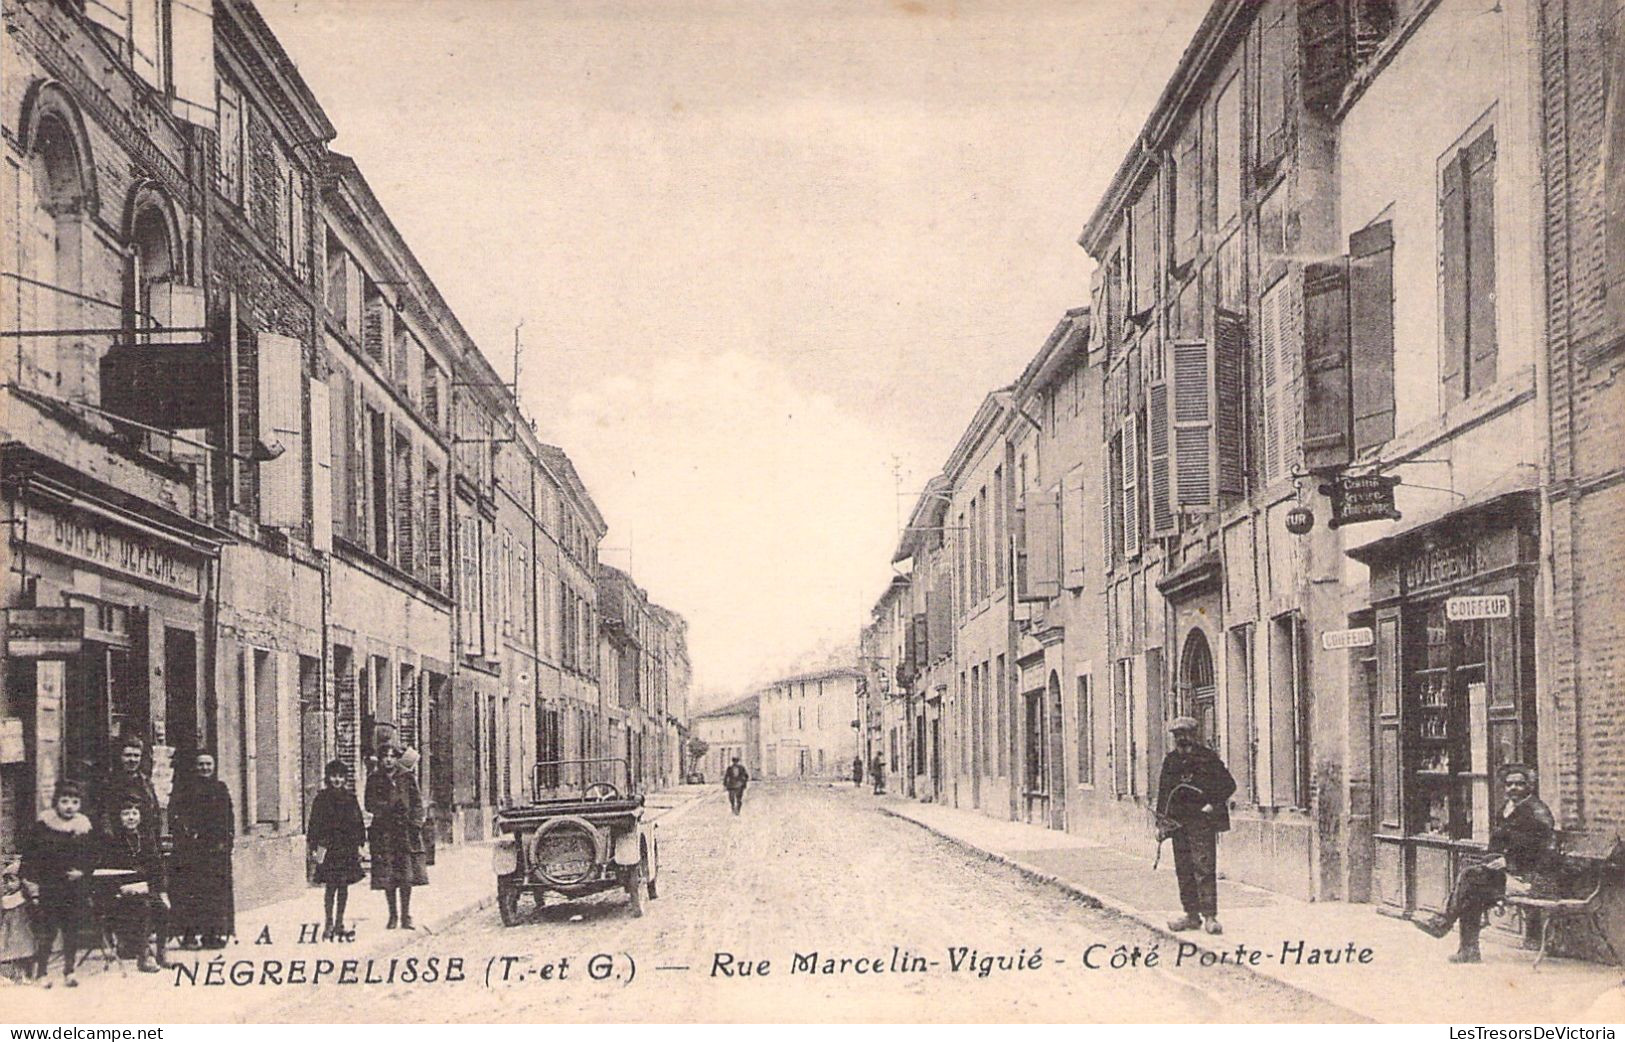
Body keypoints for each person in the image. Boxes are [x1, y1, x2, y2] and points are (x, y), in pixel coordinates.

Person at [1412, 764, 1560, 962]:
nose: (1513, 788)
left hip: (1532, 879)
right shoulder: (1507, 810)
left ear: (1529, 786)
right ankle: (1467, 949)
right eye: (1509, 784)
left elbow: (1543, 850)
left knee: (1470, 879)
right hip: (1508, 874)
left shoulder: (1538, 812)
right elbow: (1498, 844)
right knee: (1471, 888)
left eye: (1519, 784)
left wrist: (1508, 861)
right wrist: (1492, 860)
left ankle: (1443, 923)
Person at [1155, 716, 1236, 936]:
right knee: (1184, 869)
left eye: (1184, 734)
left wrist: (1212, 803)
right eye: (1176, 736)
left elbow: (1229, 785)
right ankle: (1191, 915)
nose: (1181, 739)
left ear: (1194, 735)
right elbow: (1163, 793)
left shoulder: (1208, 758)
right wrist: (1161, 824)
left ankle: (1210, 916)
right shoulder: (1171, 761)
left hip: (1201, 822)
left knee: (1204, 867)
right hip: (1178, 823)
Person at [20, 780, 94, 987]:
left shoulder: (83, 826)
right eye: (64, 801)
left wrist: (82, 872)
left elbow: (92, 856)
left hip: (73, 888)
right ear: (56, 803)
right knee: (48, 931)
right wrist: (33, 883)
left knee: (71, 930)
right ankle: (42, 973)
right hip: (50, 887)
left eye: (74, 802)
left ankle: (69, 971)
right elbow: (32, 855)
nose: (69, 806)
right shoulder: (45, 825)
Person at [168, 750, 235, 950]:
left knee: (214, 894)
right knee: (190, 894)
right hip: (192, 852)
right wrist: (188, 836)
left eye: (208, 764)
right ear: (195, 767)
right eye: (201, 764)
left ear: (214, 767)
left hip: (215, 851)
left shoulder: (220, 789)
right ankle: (189, 935)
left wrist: (226, 842)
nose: (205, 768)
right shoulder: (185, 790)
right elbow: (176, 817)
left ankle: (212, 934)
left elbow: (228, 818)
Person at [99, 799, 167, 973]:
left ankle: (161, 953)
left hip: (144, 888)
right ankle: (143, 957)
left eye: (135, 813)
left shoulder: (146, 839)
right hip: (121, 892)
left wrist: (159, 889)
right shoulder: (112, 841)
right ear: (119, 817)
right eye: (126, 813)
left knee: (162, 906)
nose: (131, 818)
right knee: (143, 906)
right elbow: (107, 870)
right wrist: (120, 888)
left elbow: (157, 867)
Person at [365, 744, 428, 929]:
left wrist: (416, 823)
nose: (389, 760)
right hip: (384, 832)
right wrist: (386, 808)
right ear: (381, 759)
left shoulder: (407, 777)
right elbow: (369, 803)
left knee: (406, 876)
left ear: (397, 759)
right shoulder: (374, 779)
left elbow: (417, 802)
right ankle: (392, 916)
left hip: (405, 832)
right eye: (385, 756)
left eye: (392, 756)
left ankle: (406, 916)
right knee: (388, 876)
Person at [307, 760, 366, 941]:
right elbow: (314, 824)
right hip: (329, 847)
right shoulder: (321, 799)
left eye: (340, 776)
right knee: (330, 886)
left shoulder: (350, 798)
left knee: (343, 886)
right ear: (328, 778)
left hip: (346, 848)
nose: (337, 780)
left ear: (345, 778)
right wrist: (313, 847)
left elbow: (358, 823)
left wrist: (360, 844)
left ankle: (340, 921)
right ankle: (329, 922)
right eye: (334, 776)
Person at [100, 735, 158, 846]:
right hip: (118, 840)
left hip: (143, 840)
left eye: (136, 756)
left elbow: (154, 812)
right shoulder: (110, 782)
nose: (132, 760)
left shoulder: (146, 782)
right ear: (120, 757)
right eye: (128, 755)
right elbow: (104, 814)